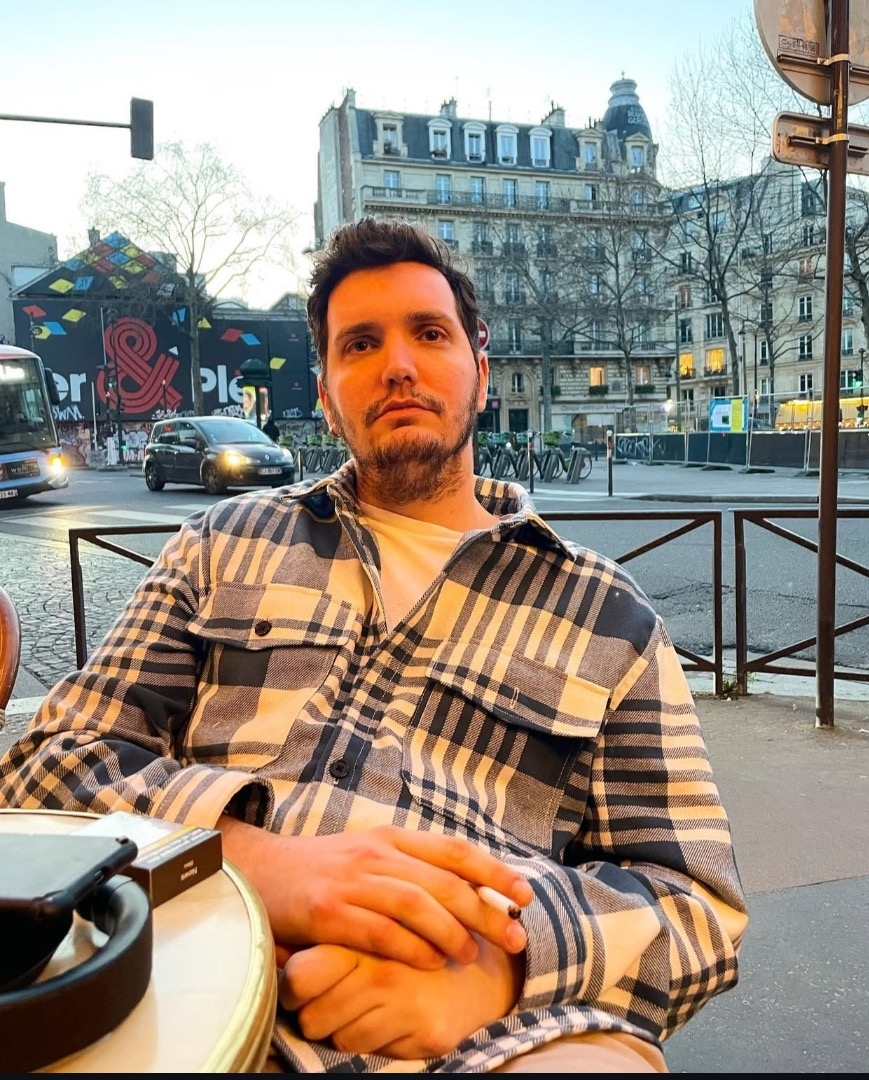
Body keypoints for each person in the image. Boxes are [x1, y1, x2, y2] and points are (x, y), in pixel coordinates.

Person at [0, 218, 747, 1073]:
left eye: (429, 334)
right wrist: (256, 862)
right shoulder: (221, 544)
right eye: (360, 344)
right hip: (180, 989)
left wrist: (496, 972)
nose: (397, 364)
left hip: (476, 1042)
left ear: (480, 373)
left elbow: (696, 904)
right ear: (325, 393)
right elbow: (48, 764)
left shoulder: (607, 614)